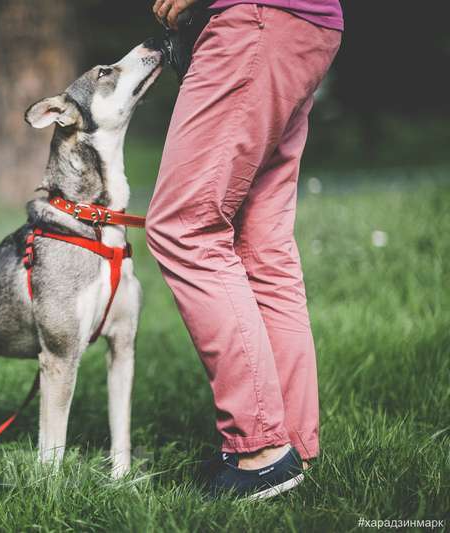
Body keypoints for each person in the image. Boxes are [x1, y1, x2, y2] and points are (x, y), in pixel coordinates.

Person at [146, 0, 342, 498]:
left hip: (257, 19)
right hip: (304, 25)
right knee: (261, 243)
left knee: (183, 227)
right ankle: (290, 446)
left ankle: (262, 453)